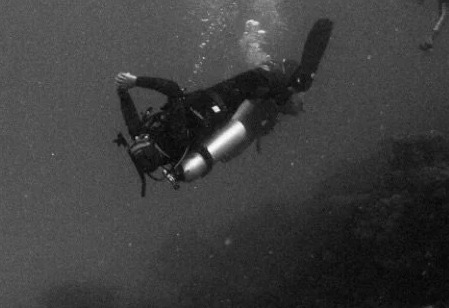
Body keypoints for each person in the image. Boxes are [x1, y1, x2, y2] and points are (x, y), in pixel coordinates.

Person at [114, 18, 333, 194]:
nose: (140, 135)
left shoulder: (162, 147)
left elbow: (130, 117)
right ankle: (302, 68)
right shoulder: (171, 133)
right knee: (279, 81)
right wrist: (135, 82)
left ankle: (287, 95)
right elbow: (172, 89)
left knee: (272, 100)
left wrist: (122, 92)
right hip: (223, 99)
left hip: (225, 117)